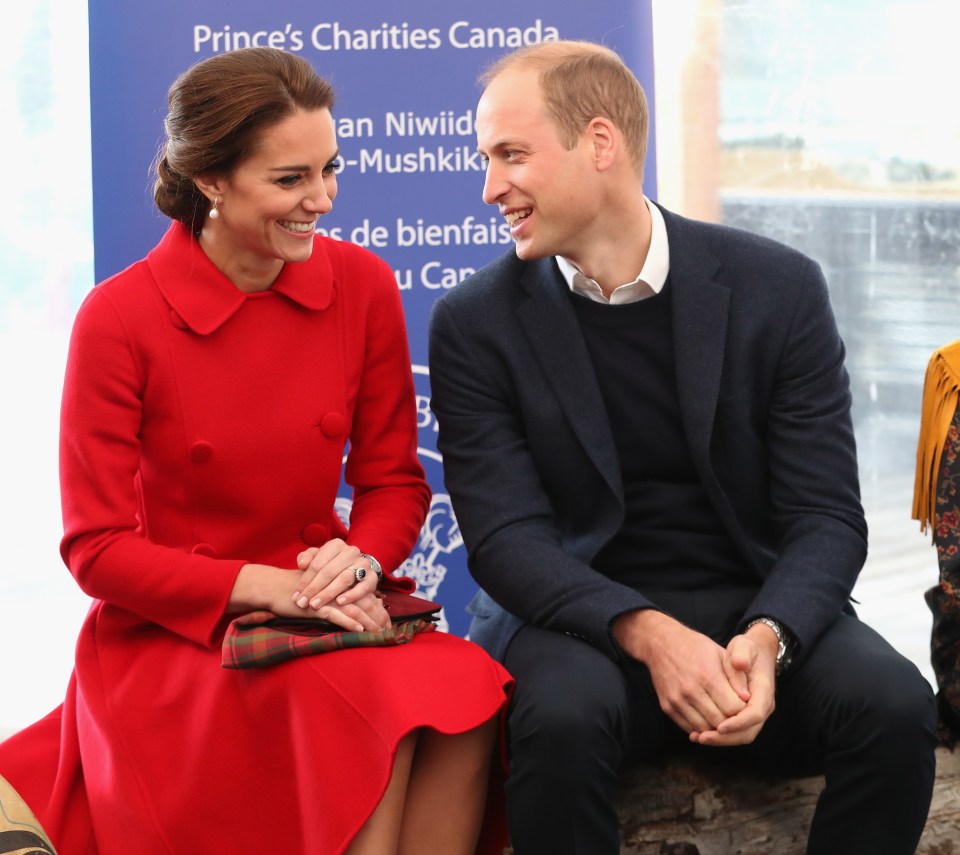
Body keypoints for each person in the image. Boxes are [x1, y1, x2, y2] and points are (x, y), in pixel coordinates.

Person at [428, 39, 938, 854]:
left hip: (754, 611)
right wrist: (650, 633)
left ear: (601, 143)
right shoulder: (476, 321)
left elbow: (827, 517)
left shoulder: (779, 286)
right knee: (555, 723)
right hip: (582, 623)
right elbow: (505, 541)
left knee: (895, 704)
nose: (491, 187)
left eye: (511, 155)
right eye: (487, 159)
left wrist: (769, 638)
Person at [0, 47, 511, 855]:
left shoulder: (363, 286)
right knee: (372, 704)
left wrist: (358, 564)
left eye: (330, 169)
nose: (323, 199)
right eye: (290, 180)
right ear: (210, 181)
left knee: (470, 686)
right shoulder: (119, 317)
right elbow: (95, 549)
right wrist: (276, 587)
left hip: (323, 605)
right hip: (179, 636)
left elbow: (392, 484)